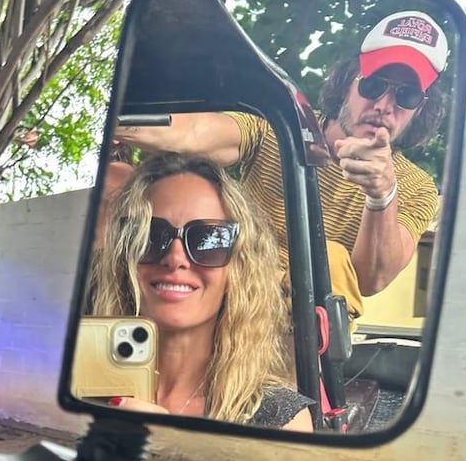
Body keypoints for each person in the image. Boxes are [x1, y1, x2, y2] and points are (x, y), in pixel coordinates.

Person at [114, 10, 449, 320]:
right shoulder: (282, 125)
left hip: (301, 340)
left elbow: (372, 279)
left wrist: (381, 196)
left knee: (330, 261)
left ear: (421, 109)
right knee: (117, 180)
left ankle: (289, 387)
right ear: (349, 80)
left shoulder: (415, 187)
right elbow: (198, 131)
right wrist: (125, 124)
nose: (384, 105)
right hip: (226, 288)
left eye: (406, 96)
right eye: (374, 84)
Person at [89, 151, 314, 432]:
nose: (175, 258)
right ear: (125, 256)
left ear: (239, 267)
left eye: (207, 240)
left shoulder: (279, 419)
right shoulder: (81, 387)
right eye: (151, 235)